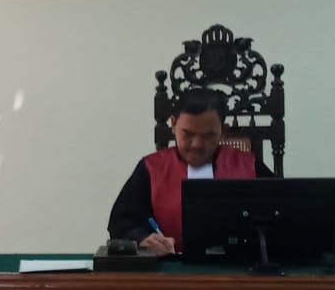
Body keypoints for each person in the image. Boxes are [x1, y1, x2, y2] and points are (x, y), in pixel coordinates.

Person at [107, 88, 273, 256]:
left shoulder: (249, 166)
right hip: (170, 266)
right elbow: (122, 222)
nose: (196, 144)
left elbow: (281, 214)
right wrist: (142, 238)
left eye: (208, 136)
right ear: (173, 125)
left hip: (238, 266)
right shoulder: (151, 168)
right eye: (187, 134)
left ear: (223, 130)